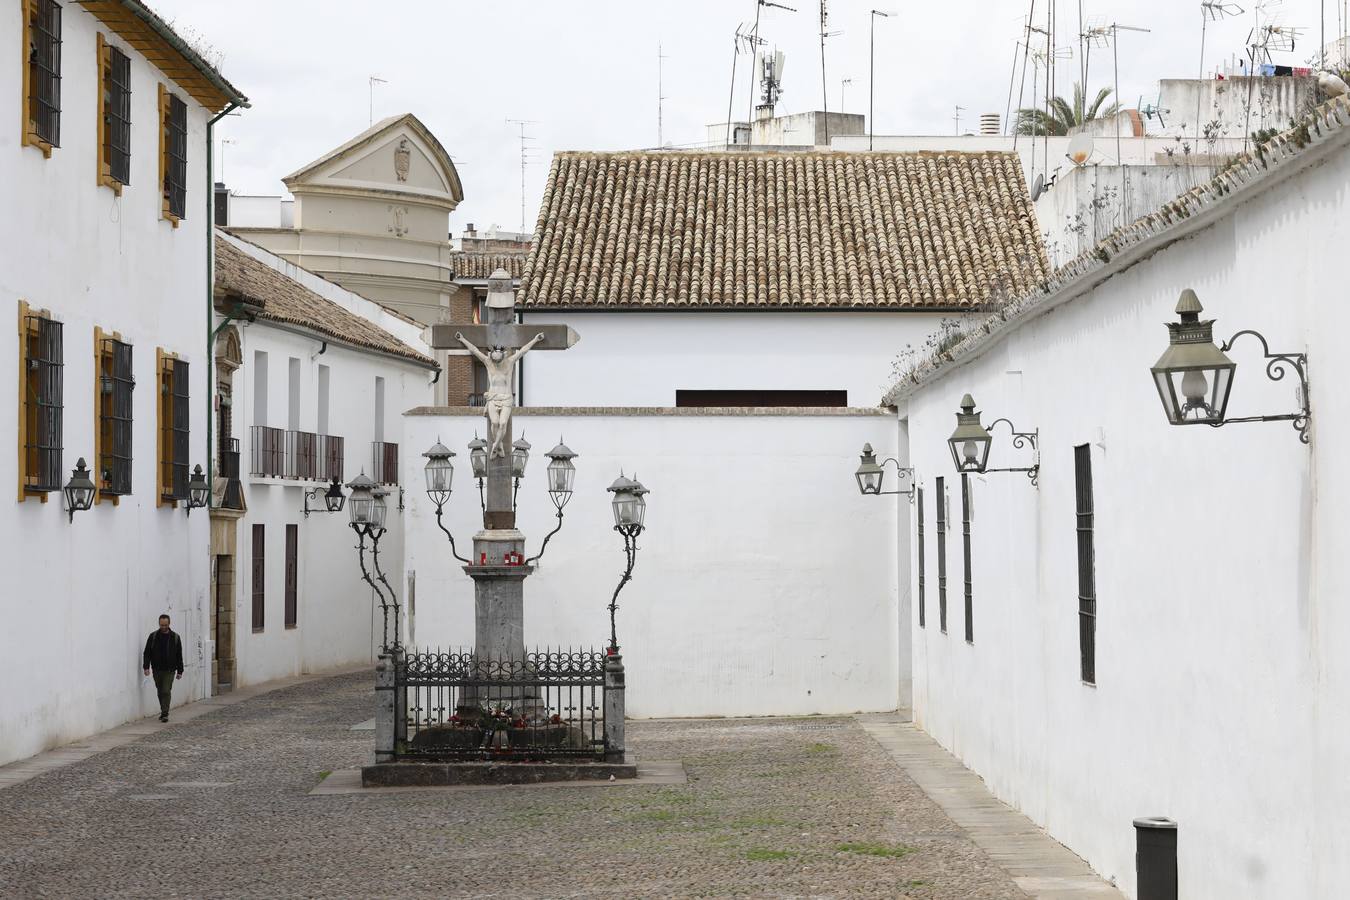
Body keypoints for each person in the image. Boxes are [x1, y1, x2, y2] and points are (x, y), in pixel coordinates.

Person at [142, 614, 184, 722]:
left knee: (166, 690)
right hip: (157, 669)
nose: (163, 627)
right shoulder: (153, 637)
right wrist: (146, 667)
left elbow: (179, 655)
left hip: (170, 670)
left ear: (169, 624)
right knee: (160, 691)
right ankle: (163, 710)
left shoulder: (175, 637)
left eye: (165, 625)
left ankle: (165, 713)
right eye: (161, 625)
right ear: (159, 624)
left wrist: (180, 670)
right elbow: (147, 653)